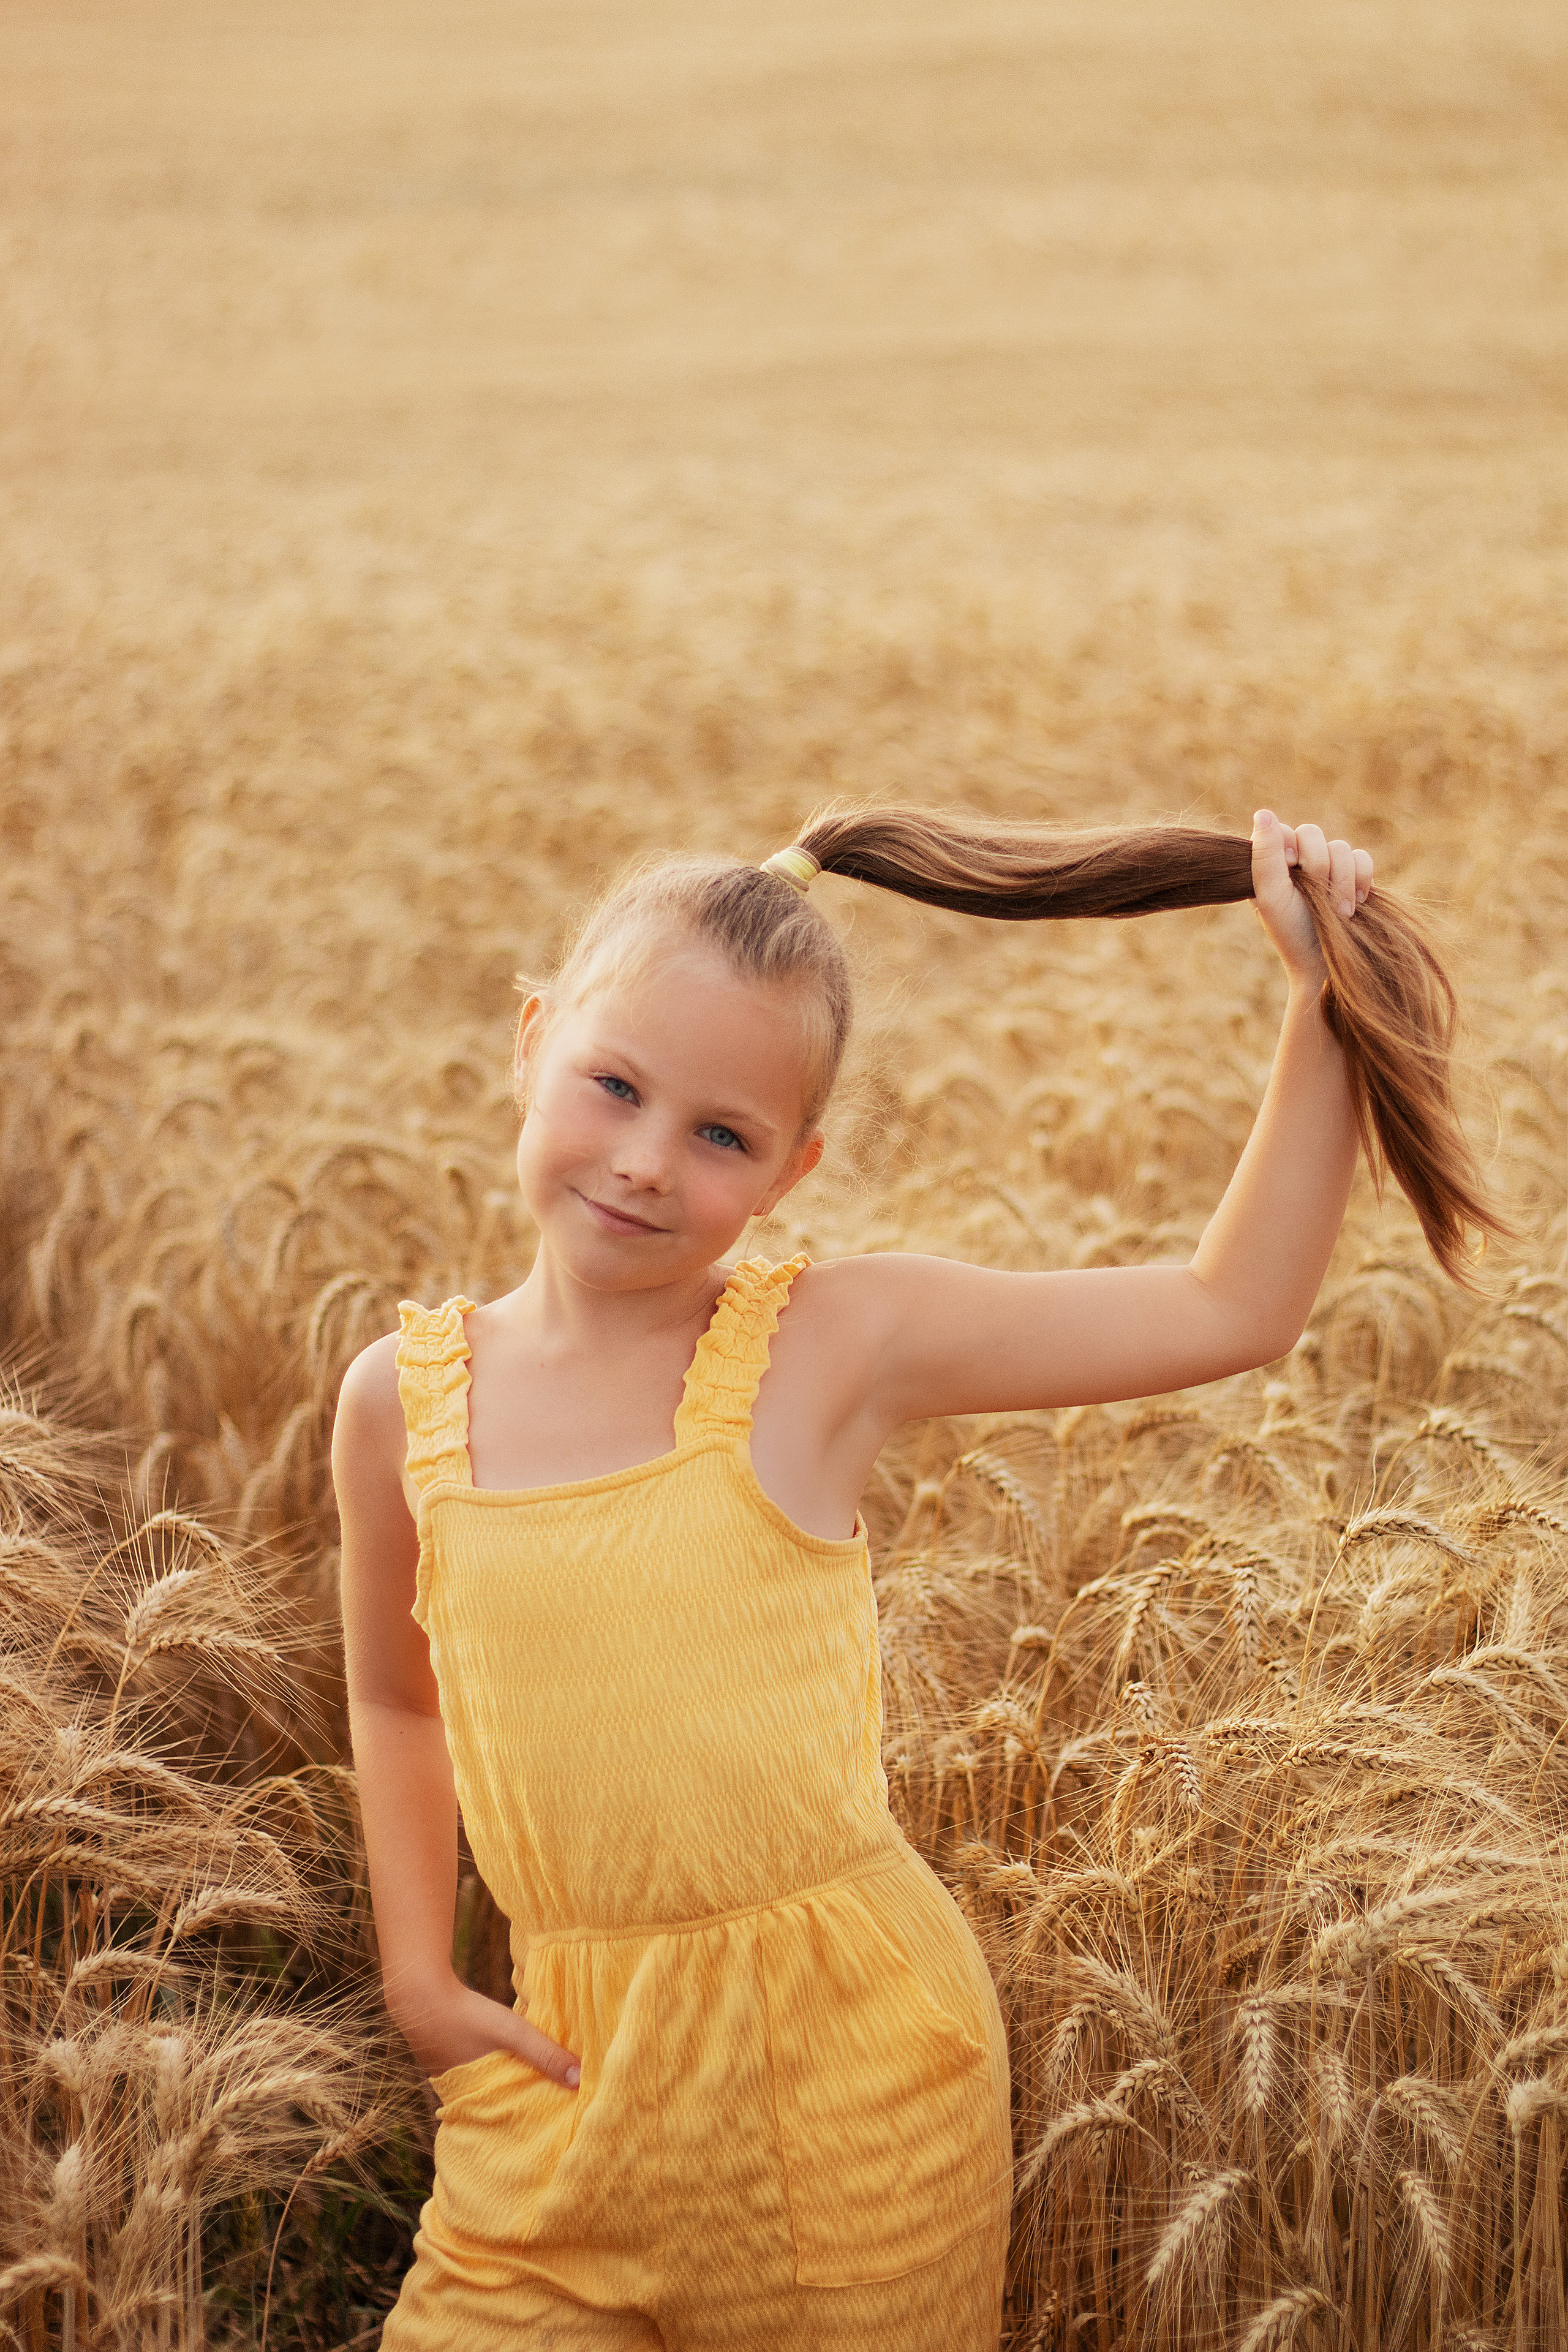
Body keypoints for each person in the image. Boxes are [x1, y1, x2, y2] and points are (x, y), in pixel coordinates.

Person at [332, 805, 1497, 2351]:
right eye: (613, 1084)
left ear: (791, 1171)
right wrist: (419, 1975)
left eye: (721, 1136)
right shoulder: (397, 1401)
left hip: (851, 2102)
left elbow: (1228, 1307)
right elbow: (392, 1699)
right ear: (531, 1040)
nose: (643, 1162)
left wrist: (1319, 1009)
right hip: (558, 2100)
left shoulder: (832, 1348)